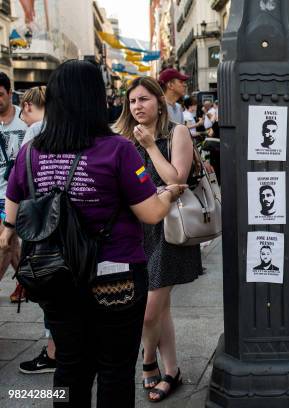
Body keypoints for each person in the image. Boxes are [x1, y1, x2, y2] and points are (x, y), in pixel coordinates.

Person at [0, 60, 186, 408]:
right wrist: (168, 194)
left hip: (55, 278)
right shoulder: (119, 150)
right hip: (115, 278)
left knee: (69, 367)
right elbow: (150, 214)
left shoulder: (29, 154)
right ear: (96, 99)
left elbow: (10, 223)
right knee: (115, 370)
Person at [114, 76, 203, 402]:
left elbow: (176, 180)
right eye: (132, 101)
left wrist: (151, 145)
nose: (137, 106)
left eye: (143, 99)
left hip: (169, 229)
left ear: (158, 101)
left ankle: (147, 360)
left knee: (149, 310)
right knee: (161, 308)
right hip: (135, 231)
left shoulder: (176, 132)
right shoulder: (121, 137)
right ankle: (173, 370)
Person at [13, 85, 58, 375]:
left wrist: (9, 226)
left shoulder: (35, 131)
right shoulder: (58, 126)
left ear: (29, 106)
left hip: (39, 219)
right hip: (57, 216)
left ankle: (53, 352)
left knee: (45, 283)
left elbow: (19, 175)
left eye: (23, 109)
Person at [0, 72, 27, 303]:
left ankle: (25, 282)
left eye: (0, 94)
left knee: (4, 242)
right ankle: (26, 281)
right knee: (10, 242)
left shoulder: (24, 119)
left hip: (16, 196)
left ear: (10, 93)